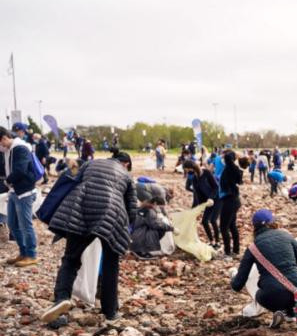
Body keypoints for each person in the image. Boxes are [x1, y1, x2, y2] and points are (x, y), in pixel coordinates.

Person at [41, 151, 137, 323]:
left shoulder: (91, 163)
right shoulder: (127, 176)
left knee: (70, 259)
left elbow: (70, 180)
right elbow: (132, 209)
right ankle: (110, 311)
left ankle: (61, 301)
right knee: (110, 264)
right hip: (112, 215)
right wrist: (124, 233)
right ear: (126, 164)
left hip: (80, 208)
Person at [231, 209, 297, 329]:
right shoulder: (286, 236)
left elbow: (237, 285)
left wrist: (232, 274)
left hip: (272, 296)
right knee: (286, 284)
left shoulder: (252, 248)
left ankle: (281, 311)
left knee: (259, 294)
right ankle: (290, 313)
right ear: (273, 222)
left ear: (254, 227)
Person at [1, 127, 39, 267]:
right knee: (12, 223)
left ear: (4, 138)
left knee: (25, 224)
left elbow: (20, 170)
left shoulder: (20, 148)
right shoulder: (9, 149)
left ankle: (31, 255)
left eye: (1, 143)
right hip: (14, 191)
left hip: (24, 192)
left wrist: (7, 181)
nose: (1, 146)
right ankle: (23, 252)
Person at [130, 186, 175, 259]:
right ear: (155, 203)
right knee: (160, 229)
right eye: (159, 207)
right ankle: (142, 251)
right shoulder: (149, 211)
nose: (159, 209)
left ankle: (139, 248)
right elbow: (155, 224)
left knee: (157, 227)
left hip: (134, 236)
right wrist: (172, 228)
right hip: (138, 238)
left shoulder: (143, 207)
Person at [185, 161, 221, 249]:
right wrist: (198, 207)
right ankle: (211, 241)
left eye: (188, 169)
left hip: (217, 199)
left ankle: (218, 242)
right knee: (204, 221)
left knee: (213, 220)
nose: (188, 172)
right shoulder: (194, 178)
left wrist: (211, 197)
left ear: (193, 168)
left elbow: (216, 187)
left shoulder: (207, 173)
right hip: (207, 202)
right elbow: (197, 194)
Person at [219, 151, 243, 257]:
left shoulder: (227, 170)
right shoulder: (236, 169)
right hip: (235, 200)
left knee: (224, 227)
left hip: (229, 200)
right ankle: (236, 250)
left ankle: (227, 252)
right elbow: (238, 182)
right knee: (232, 225)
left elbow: (224, 185)